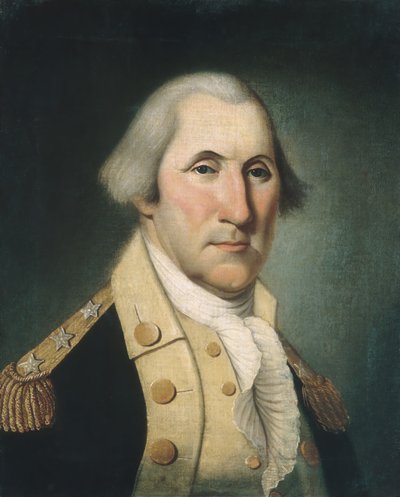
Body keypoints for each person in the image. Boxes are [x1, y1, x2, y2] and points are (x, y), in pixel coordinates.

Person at [0, 73, 366, 497]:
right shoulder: (67, 384)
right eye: (205, 169)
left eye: (258, 171)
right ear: (146, 192)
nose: (241, 211)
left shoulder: (300, 382)